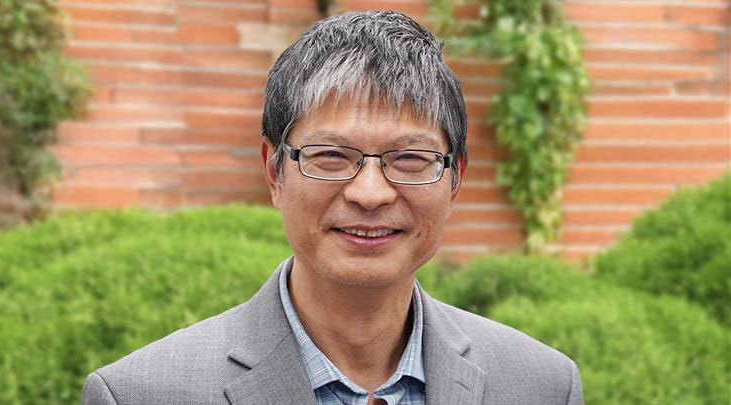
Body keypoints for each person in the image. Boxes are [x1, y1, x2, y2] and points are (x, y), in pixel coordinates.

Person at [81, 11, 583, 405]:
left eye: (410, 158)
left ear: (455, 179)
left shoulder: (540, 385)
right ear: (274, 171)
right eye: (331, 156)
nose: (370, 193)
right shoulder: (141, 394)